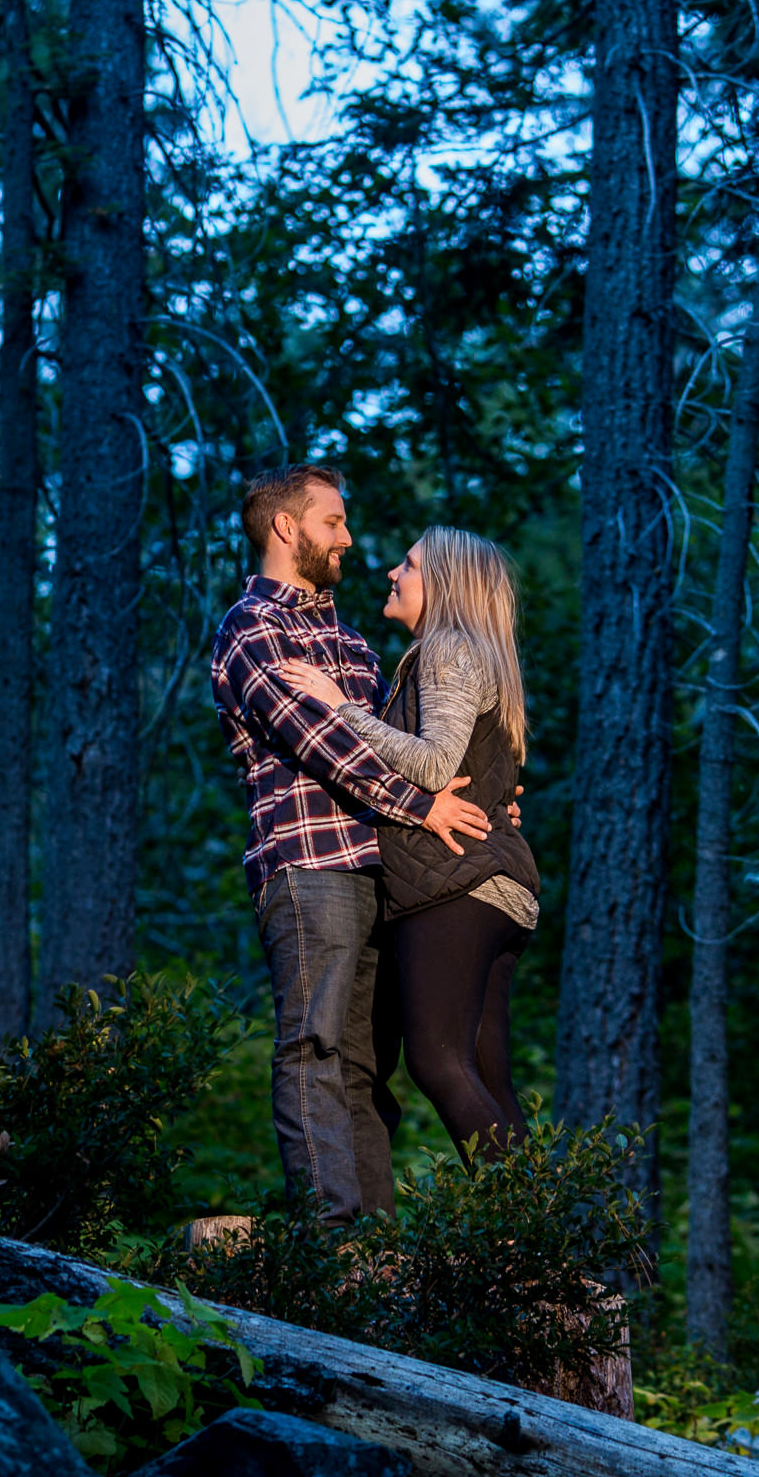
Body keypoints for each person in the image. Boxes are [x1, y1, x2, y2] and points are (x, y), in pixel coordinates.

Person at [210, 468, 495, 1225]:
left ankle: (376, 1247)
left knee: (370, 1070)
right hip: (310, 868)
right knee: (316, 1044)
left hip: (386, 877)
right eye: (332, 523)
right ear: (285, 529)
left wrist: (489, 799)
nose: (347, 538)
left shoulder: (352, 640)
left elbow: (413, 746)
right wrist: (423, 808)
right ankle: (332, 1237)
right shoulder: (250, 628)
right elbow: (324, 743)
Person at [279, 525, 538, 1165]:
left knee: (436, 1061)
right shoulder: (482, 656)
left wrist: (339, 707)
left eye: (411, 564)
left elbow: (431, 764)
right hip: (501, 889)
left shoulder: (447, 648)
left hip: (453, 886)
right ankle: (553, 1243)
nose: (393, 572)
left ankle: (542, 1239)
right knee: (488, 1078)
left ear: (444, 584)